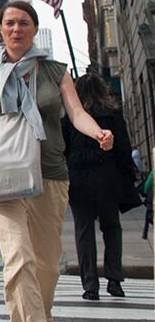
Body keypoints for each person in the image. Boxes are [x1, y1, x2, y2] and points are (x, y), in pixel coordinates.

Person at [0, 1, 114, 322]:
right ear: (0, 29)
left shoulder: (55, 71)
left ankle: (40, 315)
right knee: (19, 257)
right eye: (9, 23)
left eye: (23, 23)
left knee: (47, 264)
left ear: (34, 29)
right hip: (2, 175)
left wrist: (99, 133)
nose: (16, 29)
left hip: (48, 174)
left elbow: (77, 113)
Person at [61, 72, 136, 300]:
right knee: (111, 228)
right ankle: (114, 280)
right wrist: (128, 177)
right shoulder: (113, 117)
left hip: (79, 179)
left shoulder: (69, 121)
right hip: (107, 177)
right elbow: (123, 150)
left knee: (84, 231)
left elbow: (62, 151)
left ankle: (90, 285)